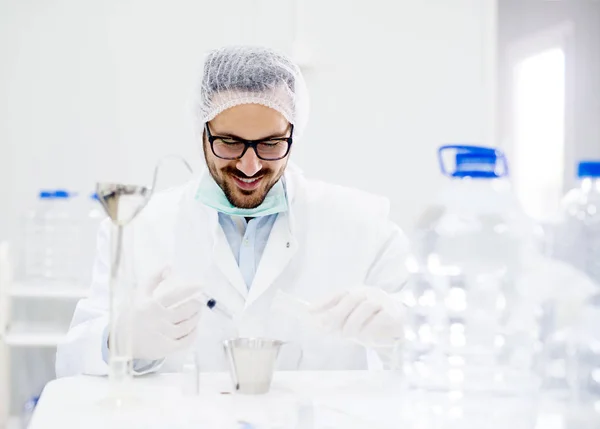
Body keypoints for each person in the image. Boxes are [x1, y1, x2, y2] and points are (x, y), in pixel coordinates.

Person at [56, 45, 409, 377]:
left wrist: (400, 330)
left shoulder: (365, 224)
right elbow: (70, 364)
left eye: (271, 144)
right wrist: (119, 340)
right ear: (201, 131)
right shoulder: (136, 229)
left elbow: (436, 355)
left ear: (294, 133)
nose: (251, 165)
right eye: (230, 143)